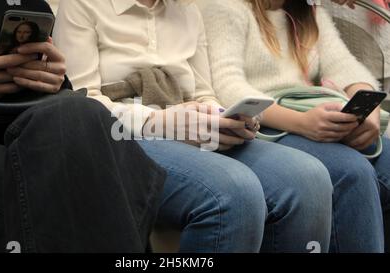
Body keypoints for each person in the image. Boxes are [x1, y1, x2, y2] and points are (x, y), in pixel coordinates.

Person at [54, 0, 334, 253]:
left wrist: (223, 118)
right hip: (123, 133)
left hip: (193, 125)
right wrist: (158, 121)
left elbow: (203, 92)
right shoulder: (81, 5)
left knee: (310, 178)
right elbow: (82, 105)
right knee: (234, 190)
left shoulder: (186, 9)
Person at [0, 0, 166, 252]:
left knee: (79, 117)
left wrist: (54, 78)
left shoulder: (30, 5)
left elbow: (59, 99)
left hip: (33, 128)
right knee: (16, 174)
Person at [201, 0, 390, 252]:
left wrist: (368, 113)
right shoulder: (225, 7)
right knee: (350, 172)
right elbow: (227, 87)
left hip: (309, 117)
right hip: (264, 124)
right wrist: (301, 122)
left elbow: (347, 68)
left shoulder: (307, 11)